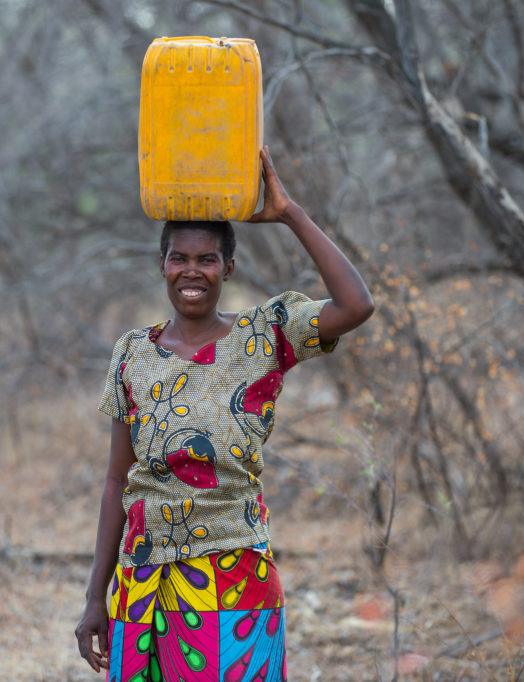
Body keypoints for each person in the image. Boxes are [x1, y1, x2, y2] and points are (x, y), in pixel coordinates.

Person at [75, 146, 374, 680]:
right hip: (143, 585)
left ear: (228, 268)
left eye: (207, 259)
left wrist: (289, 214)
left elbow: (356, 306)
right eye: (180, 259)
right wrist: (95, 597)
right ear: (162, 265)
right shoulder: (131, 352)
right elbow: (117, 480)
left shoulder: (265, 335)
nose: (192, 272)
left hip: (235, 578)